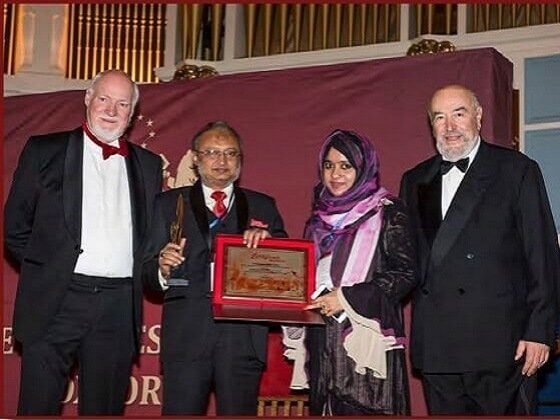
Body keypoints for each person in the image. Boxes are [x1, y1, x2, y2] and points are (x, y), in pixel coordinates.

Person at [4, 69, 163, 415]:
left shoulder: (149, 166)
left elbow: (150, 240)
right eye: (103, 98)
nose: (111, 110)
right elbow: (15, 228)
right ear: (88, 98)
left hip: (118, 306)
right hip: (56, 301)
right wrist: (49, 270)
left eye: (122, 104)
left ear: (133, 112)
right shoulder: (44, 150)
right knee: (37, 407)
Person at [399, 84, 560, 415]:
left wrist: (540, 332)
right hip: (438, 347)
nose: (450, 126)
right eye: (439, 117)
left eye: (459, 114)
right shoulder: (415, 179)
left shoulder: (516, 170)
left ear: (479, 116)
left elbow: (543, 257)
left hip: (502, 346)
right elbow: (406, 260)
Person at [142, 121, 288, 415]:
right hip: (186, 337)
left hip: (243, 339)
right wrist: (162, 269)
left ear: (240, 160)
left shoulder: (263, 206)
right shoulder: (167, 204)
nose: (222, 160)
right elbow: (146, 273)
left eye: (230, 153)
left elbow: (287, 277)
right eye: (212, 152)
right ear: (195, 158)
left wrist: (270, 249)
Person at [289, 129, 417, 415]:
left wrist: (346, 298)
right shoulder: (316, 220)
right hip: (323, 342)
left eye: (346, 166)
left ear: (363, 169)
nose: (335, 174)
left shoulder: (388, 211)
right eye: (329, 165)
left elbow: (405, 273)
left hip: (365, 344)